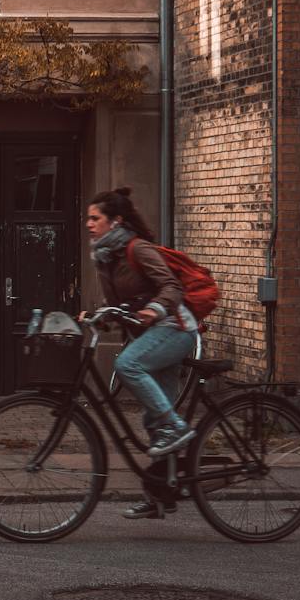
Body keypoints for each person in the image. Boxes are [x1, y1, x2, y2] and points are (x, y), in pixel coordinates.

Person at [86, 186, 199, 520]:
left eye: (95, 218)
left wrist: (154, 310)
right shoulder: (106, 257)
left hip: (175, 328)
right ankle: (162, 495)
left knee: (127, 364)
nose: (89, 224)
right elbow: (121, 304)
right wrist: (99, 316)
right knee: (153, 418)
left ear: (116, 221)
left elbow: (172, 287)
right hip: (151, 334)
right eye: (88, 218)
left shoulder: (138, 248)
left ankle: (177, 427)